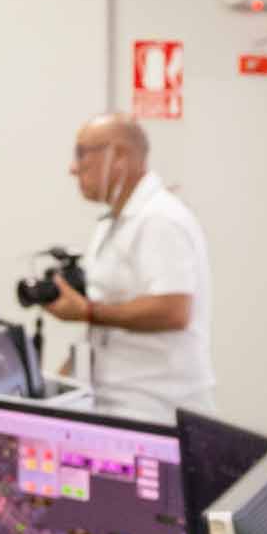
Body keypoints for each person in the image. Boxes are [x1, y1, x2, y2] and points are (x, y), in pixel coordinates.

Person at [38, 114, 214, 419]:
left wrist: (87, 311)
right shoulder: (113, 223)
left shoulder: (159, 218)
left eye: (82, 154)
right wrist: (53, 389)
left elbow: (173, 310)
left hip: (156, 408)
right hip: (114, 401)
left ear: (118, 156)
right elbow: (103, 325)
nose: (73, 168)